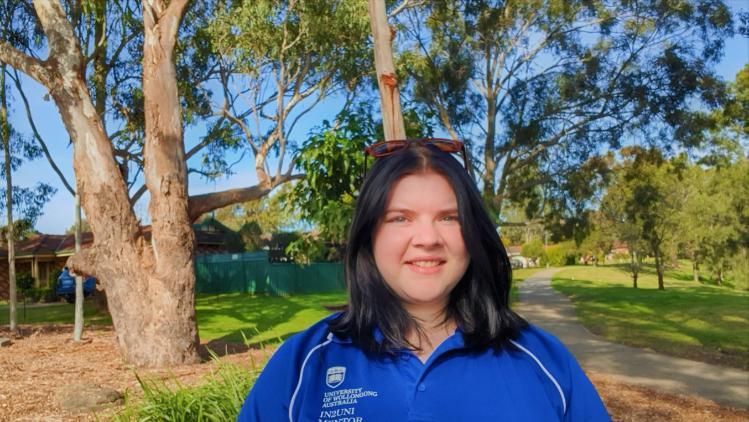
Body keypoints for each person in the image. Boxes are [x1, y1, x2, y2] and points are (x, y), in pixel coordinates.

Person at [238, 139, 610, 421]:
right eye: (400, 218)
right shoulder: (304, 363)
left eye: (449, 217)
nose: (428, 238)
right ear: (370, 236)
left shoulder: (542, 359)